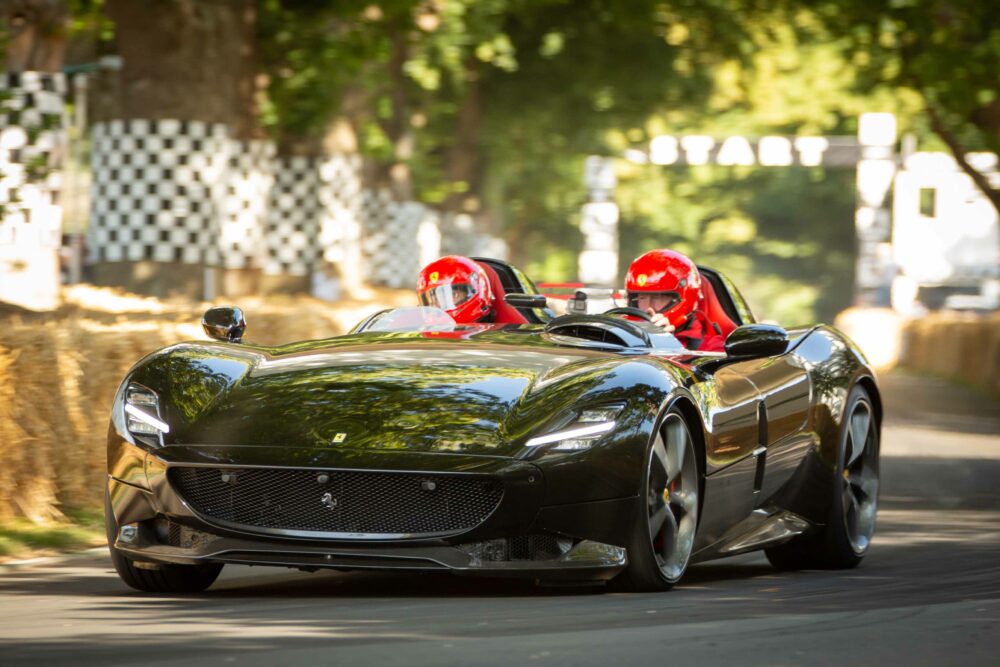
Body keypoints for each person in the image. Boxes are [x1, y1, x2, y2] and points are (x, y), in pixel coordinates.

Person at [623, 249, 726, 352]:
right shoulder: (623, 336)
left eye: (657, 297)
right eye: (641, 297)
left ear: (683, 298)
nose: (648, 308)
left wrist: (668, 346)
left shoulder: (712, 347)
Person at [417, 255, 496, 324]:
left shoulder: (496, 338)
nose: (436, 306)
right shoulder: (425, 338)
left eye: (452, 294)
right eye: (432, 299)